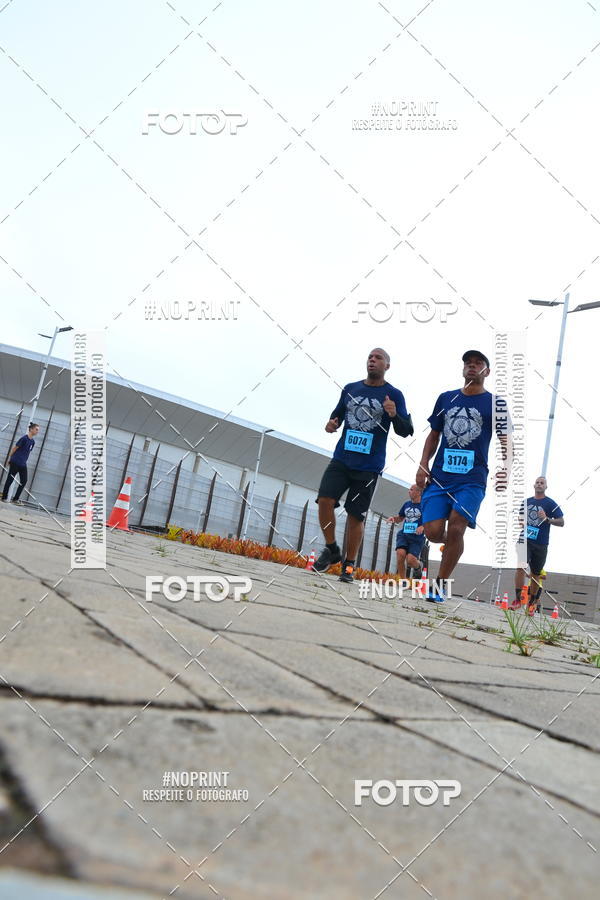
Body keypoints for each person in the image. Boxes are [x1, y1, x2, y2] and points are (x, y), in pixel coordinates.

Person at [416, 351, 510, 603]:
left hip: (472, 479)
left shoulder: (496, 404)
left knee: (457, 526)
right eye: (468, 363)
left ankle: (439, 584)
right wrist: (423, 464)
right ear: (462, 369)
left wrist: (506, 468)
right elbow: (433, 435)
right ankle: (451, 544)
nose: (472, 366)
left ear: (487, 372)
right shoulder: (446, 398)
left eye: (478, 363)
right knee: (433, 532)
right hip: (440, 477)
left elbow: (506, 440)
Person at [314, 348, 413, 583]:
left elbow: (406, 430)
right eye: (370, 357)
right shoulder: (351, 389)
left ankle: (348, 565)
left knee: (355, 514)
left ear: (387, 366)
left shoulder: (394, 394)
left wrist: (393, 415)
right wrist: (331, 424)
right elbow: (337, 416)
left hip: (369, 466)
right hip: (342, 459)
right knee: (325, 500)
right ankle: (332, 549)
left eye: (378, 358)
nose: (373, 360)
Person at [513, 476, 564, 614]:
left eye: (542, 483)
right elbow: (520, 519)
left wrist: (547, 519)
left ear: (546, 486)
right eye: (537, 482)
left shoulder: (550, 503)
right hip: (525, 540)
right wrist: (522, 522)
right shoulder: (526, 502)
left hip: (541, 543)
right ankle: (518, 599)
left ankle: (531, 603)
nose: (539, 484)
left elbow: (561, 522)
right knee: (520, 567)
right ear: (534, 485)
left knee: (535, 573)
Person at [387, 484, 424, 579]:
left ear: (419, 492)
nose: (409, 491)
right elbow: (400, 518)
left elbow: (430, 521)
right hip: (404, 535)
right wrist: (393, 519)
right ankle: (403, 581)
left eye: (411, 490)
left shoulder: (425, 506)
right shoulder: (406, 504)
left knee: (410, 560)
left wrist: (422, 527)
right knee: (400, 554)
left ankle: (418, 567)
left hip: (416, 538)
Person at [1, 422, 40, 504]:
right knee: (10, 480)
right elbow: (14, 448)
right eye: (36, 429)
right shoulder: (24, 439)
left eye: (38, 430)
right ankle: (4, 497)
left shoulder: (32, 442)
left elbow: (27, 452)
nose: (37, 431)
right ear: (31, 429)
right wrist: (10, 459)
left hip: (23, 464)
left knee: (24, 480)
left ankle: (15, 499)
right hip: (15, 462)